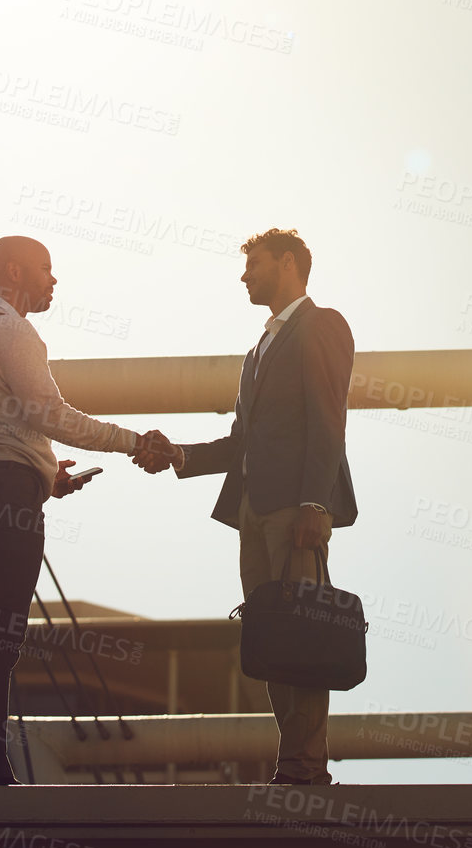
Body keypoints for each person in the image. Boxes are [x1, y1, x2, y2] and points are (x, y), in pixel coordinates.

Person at [134, 227, 356, 785]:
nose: (244, 275)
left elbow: (329, 418)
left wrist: (313, 502)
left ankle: (306, 769)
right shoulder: (256, 352)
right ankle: (296, 762)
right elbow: (242, 442)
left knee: (302, 639)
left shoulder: (322, 324)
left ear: (287, 264)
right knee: (273, 639)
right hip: (253, 514)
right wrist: (179, 454)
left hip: (295, 510)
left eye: (253, 264)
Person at [0, 235, 143, 785]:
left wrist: (45, 477)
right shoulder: (14, 331)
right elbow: (52, 414)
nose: (54, 281)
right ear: (15, 271)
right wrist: (132, 441)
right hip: (5, 502)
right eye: (46, 270)